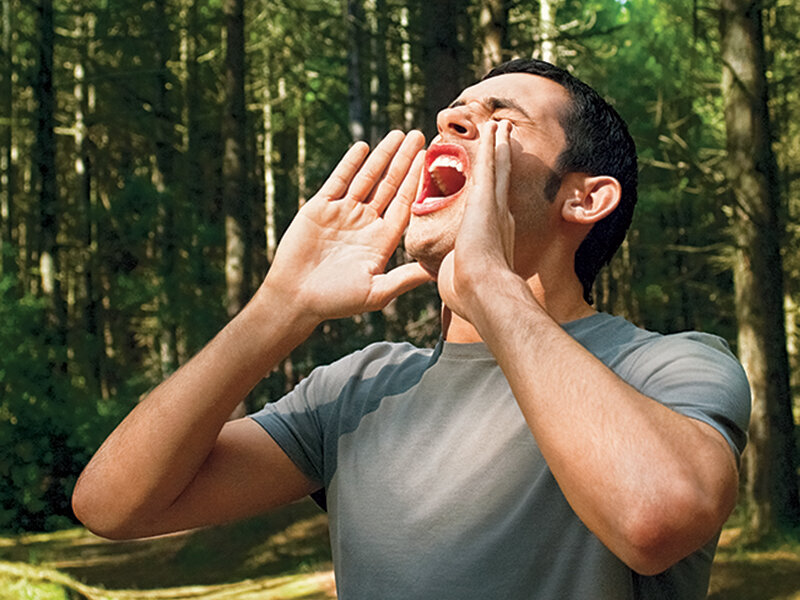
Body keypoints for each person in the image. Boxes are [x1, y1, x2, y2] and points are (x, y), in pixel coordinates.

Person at [72, 59, 750, 599]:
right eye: (454, 111)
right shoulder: (357, 389)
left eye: (498, 117)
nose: (452, 117)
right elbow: (113, 505)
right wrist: (280, 307)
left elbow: (656, 517)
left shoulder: (667, 367)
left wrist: (490, 285)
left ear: (585, 197)